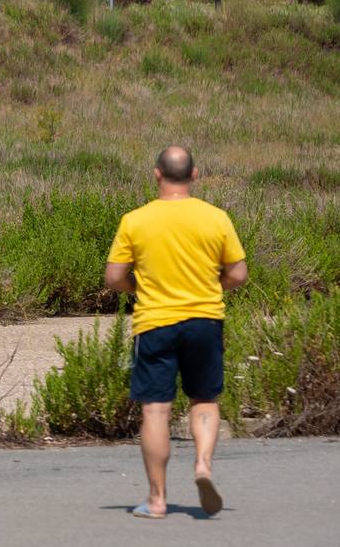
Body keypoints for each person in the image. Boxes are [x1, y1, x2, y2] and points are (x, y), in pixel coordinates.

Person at [104, 145, 248, 520]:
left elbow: (114, 277)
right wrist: (209, 285)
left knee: (155, 409)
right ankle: (202, 464)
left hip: (155, 322)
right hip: (204, 319)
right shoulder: (216, 218)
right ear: (194, 175)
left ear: (157, 174)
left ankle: (156, 500)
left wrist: (141, 289)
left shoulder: (135, 220)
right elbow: (238, 273)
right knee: (204, 399)